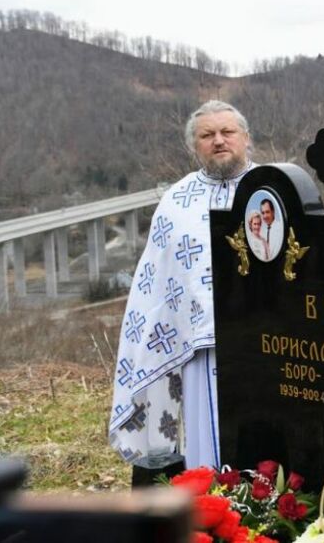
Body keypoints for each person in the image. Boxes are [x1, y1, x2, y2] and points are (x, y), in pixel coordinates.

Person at [109, 100, 256, 469]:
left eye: (227, 132)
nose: (219, 141)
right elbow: (154, 281)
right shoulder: (177, 200)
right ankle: (209, 514)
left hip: (268, 342)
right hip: (201, 346)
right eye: (208, 135)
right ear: (195, 146)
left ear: (246, 138)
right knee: (207, 447)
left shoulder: (273, 187)